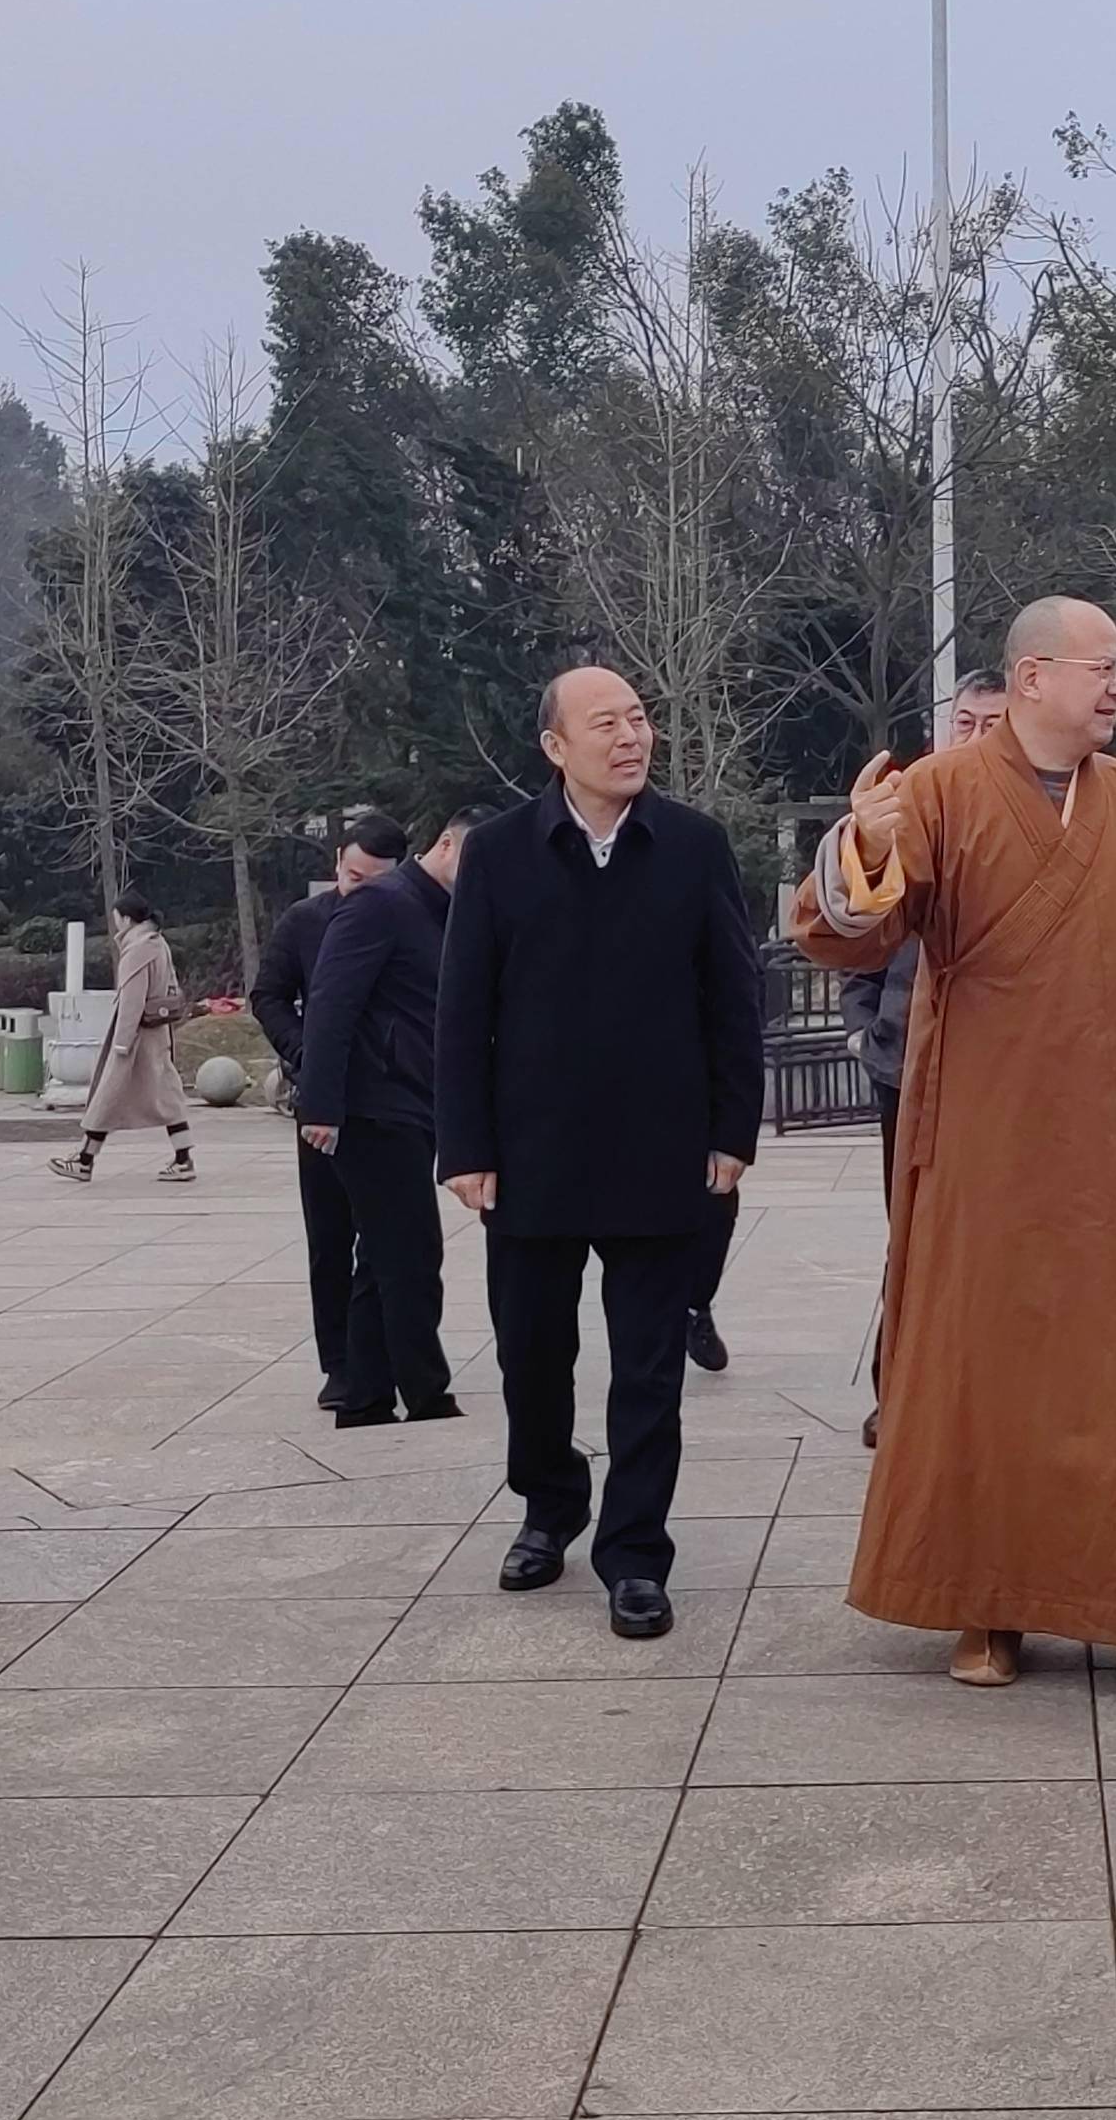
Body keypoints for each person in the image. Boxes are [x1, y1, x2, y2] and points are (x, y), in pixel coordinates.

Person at [793, 596, 1116, 1689]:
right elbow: (839, 938)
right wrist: (861, 846)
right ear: (1032, 677)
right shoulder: (942, 791)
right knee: (984, 1362)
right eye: (1102, 668)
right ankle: (985, 1601)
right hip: (987, 1129)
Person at [436, 666, 764, 1640]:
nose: (630, 737)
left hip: (662, 1153)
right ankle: (549, 1504)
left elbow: (733, 1003)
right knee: (531, 1357)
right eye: (605, 723)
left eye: (638, 719)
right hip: (529, 1157)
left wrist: (731, 1134)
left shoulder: (695, 847)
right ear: (555, 746)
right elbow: (462, 1013)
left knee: (649, 1369)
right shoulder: (498, 855)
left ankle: (635, 1553)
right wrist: (465, 1145)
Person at [843, 667, 1008, 1449]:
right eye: (964, 723)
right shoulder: (909, 812)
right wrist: (863, 1024)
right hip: (903, 1066)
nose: (975, 738)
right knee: (909, 1233)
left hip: (1002, 1074)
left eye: (992, 723)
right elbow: (859, 939)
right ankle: (895, 1393)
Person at [297, 814, 468, 1430]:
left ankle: (364, 1396)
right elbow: (330, 1003)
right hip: (370, 1104)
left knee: (383, 1256)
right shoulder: (380, 904)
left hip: (411, 1098)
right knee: (411, 1251)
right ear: (446, 844)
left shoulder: (440, 912)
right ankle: (426, 1392)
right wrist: (319, 1105)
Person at [258, 814, 406, 1406]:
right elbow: (267, 996)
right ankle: (339, 1361)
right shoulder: (304, 922)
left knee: (388, 1237)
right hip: (321, 1099)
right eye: (350, 874)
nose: (355, 889)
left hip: (390, 1100)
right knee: (329, 1235)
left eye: (371, 882)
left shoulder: (410, 917)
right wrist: (303, 1052)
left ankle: (385, 1349)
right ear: (337, 861)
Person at [52, 896, 195, 1184]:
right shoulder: (157, 943)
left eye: (117, 916)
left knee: (108, 1095)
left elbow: (132, 1000)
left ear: (127, 919)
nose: (115, 922)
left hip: (136, 1037)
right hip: (157, 1033)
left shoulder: (137, 950)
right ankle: (183, 1158)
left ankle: (84, 1160)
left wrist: (122, 1041)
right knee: (167, 1095)